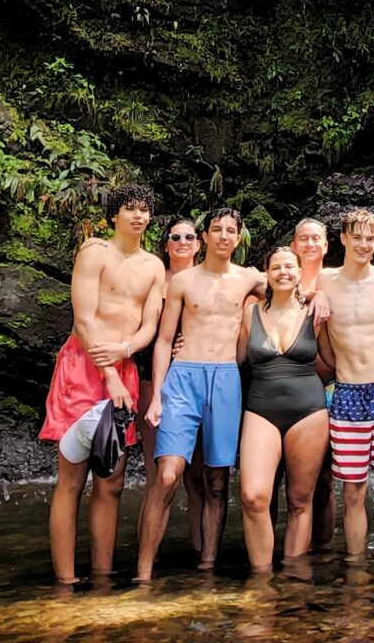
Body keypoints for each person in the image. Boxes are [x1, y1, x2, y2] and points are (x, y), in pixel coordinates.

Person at [39, 184, 165, 584]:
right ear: (114, 216)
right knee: (72, 479)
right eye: (130, 209)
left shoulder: (154, 266)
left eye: (144, 210)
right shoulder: (95, 252)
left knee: (111, 482)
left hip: (124, 366)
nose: (138, 216)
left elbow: (149, 326)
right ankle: (65, 581)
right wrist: (108, 373)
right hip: (83, 367)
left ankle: (103, 576)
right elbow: (83, 319)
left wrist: (125, 350)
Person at [136, 208, 266, 581]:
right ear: (204, 237)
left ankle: (207, 566)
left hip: (226, 378)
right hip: (183, 377)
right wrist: (158, 395)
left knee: (217, 479)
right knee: (167, 474)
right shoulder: (181, 281)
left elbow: (291, 286)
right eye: (216, 230)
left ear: (239, 239)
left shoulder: (248, 280)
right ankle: (143, 572)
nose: (224, 236)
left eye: (231, 231)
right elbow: (163, 341)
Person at [318, 208, 374, 560]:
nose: (364, 244)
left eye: (370, 238)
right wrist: (316, 296)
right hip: (348, 392)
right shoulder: (323, 282)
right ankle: (356, 567)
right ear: (342, 239)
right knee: (353, 491)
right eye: (356, 237)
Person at [238, 247, 331, 572]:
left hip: (309, 410)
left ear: (298, 271)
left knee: (299, 501)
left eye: (289, 267)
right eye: (276, 267)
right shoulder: (249, 314)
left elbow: (335, 358)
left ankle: (295, 578)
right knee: (253, 497)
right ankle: (262, 580)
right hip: (261, 408)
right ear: (266, 272)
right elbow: (232, 357)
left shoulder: (315, 312)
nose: (283, 273)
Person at [134, 217, 204, 550]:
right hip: (153, 379)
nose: (182, 242)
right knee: (158, 474)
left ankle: (201, 555)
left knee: (198, 479)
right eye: (175, 237)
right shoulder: (153, 282)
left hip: (196, 381)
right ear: (165, 245)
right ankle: (147, 559)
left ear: (198, 243)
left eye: (189, 236)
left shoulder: (209, 281)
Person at [290, 218, 336, 548]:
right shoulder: (275, 279)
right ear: (293, 246)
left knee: (324, 477)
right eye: (303, 239)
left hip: (330, 386)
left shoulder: (337, 281)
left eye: (315, 239)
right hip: (284, 387)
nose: (309, 244)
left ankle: (321, 551)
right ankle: (282, 549)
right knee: (280, 474)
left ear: (326, 246)